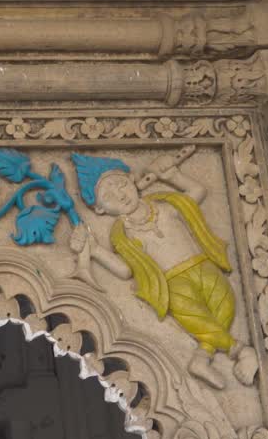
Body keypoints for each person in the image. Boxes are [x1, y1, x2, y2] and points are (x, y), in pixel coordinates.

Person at [71, 153, 243, 388]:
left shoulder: (165, 204)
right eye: (108, 196)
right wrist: (94, 250)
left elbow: (197, 192)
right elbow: (125, 270)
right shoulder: (122, 234)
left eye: (121, 184)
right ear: (99, 210)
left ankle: (202, 357)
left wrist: (173, 176)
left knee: (226, 304)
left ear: (133, 179)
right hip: (172, 283)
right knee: (194, 318)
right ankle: (239, 351)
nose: (121, 194)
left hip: (202, 264)